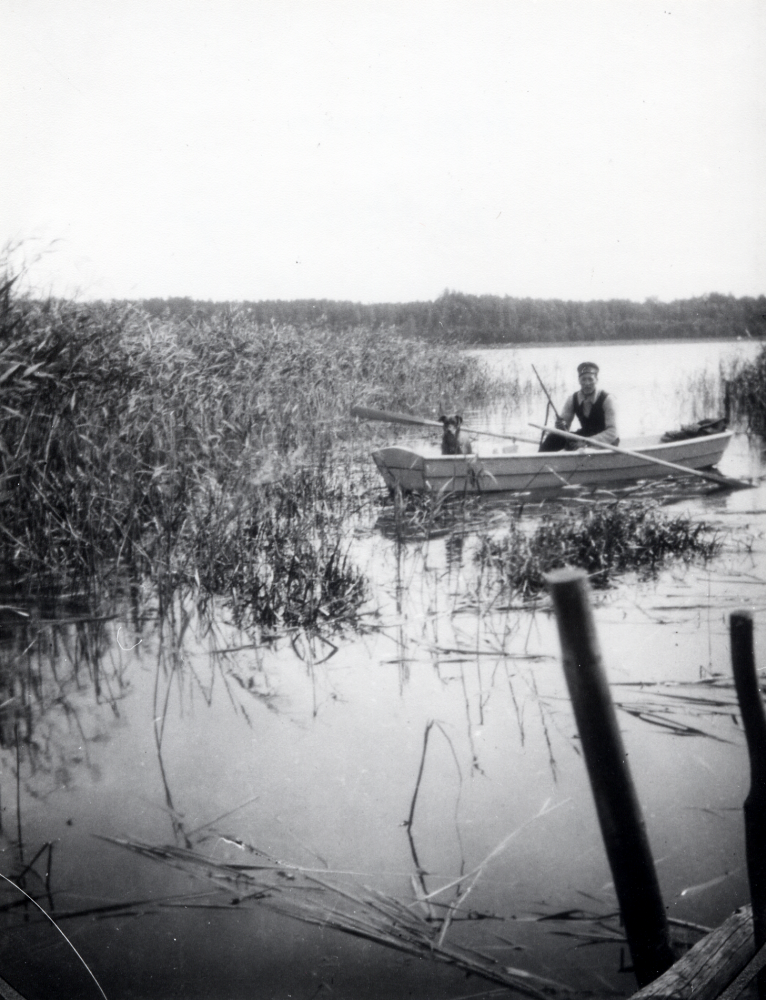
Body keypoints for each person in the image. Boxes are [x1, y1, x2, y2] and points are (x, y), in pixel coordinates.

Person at [539, 362, 619, 452]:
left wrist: (586, 442)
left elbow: (613, 432)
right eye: (583, 379)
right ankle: (538, 463)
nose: (587, 383)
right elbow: (564, 429)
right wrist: (561, 425)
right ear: (579, 381)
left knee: (583, 451)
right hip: (584, 437)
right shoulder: (572, 399)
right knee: (553, 437)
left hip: (606, 441)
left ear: (596, 379)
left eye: (590, 379)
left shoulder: (608, 399)